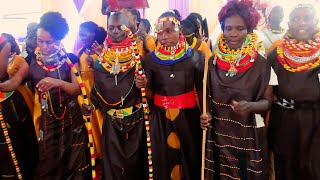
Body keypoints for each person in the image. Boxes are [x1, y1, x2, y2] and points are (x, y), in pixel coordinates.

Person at [201, 0, 273, 179]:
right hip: (218, 134)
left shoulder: (262, 64)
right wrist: (205, 115)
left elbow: (268, 102)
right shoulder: (212, 63)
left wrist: (250, 106)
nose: (234, 34)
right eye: (229, 28)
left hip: (247, 135)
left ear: (249, 30)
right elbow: (206, 98)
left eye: (240, 28)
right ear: (222, 29)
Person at [82, 12, 149, 179]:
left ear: (129, 29)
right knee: (112, 165)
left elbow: (150, 93)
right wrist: (90, 105)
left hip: (136, 121)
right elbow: (97, 93)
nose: (115, 31)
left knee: (136, 166)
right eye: (111, 27)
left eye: (120, 27)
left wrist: (144, 85)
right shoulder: (100, 62)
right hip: (111, 123)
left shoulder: (140, 59)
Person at [27, 12, 90, 179]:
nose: (44, 46)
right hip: (47, 119)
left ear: (60, 39)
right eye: (40, 41)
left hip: (70, 118)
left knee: (73, 160)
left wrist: (58, 83)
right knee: (47, 161)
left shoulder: (70, 59)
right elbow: (16, 81)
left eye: (49, 42)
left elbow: (77, 89)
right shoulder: (32, 60)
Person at [143, 10, 204, 180]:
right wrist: (143, 86)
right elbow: (149, 95)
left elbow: (201, 89)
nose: (163, 36)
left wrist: (206, 113)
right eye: (160, 32)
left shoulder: (196, 57)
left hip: (188, 117)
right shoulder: (150, 60)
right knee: (163, 159)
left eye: (169, 31)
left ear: (180, 31)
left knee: (189, 158)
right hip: (160, 119)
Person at [267, 4, 320, 180]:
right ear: (288, 23)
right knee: (285, 168)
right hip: (284, 119)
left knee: (313, 169)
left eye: (307, 18)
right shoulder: (277, 52)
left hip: (315, 121)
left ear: (316, 22)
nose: (301, 23)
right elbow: (267, 90)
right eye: (296, 19)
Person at [0, 33, 38, 180]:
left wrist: (16, 79)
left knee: (16, 150)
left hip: (9, 104)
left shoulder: (4, 44)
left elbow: (13, 80)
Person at [77, 21, 107, 162]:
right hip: (83, 90)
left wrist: (94, 64)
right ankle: (92, 151)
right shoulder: (81, 52)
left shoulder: (102, 50)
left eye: (85, 33)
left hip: (96, 88)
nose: (81, 36)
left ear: (94, 34)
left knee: (98, 118)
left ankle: (103, 151)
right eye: (80, 34)